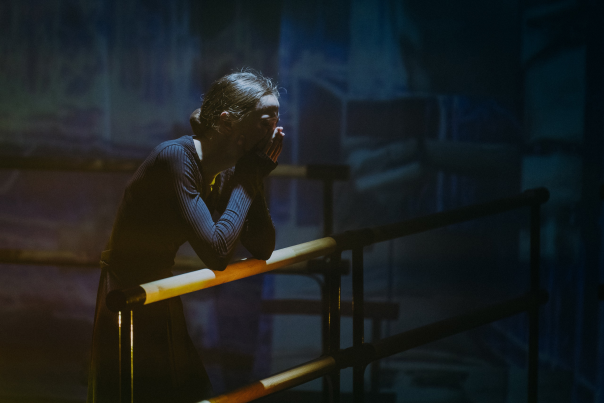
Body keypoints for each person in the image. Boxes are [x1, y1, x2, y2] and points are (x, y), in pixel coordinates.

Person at [87, 70, 284, 403]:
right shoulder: (176, 159)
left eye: (276, 124)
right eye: (265, 124)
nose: (275, 135)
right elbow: (217, 252)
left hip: (158, 291)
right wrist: (249, 177)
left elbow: (262, 246)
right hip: (126, 296)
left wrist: (252, 176)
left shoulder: (224, 171)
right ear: (227, 123)